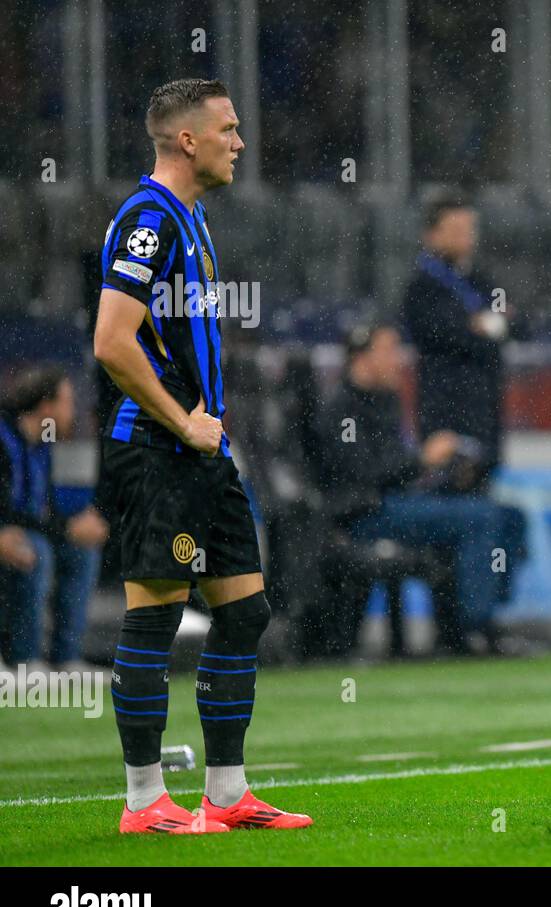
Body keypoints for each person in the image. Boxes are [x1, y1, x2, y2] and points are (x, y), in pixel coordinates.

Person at [94, 78, 311, 834]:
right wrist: (185, 423)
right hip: (157, 448)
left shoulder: (193, 217)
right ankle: (144, 799)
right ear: (188, 139)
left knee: (245, 611)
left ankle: (226, 794)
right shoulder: (148, 219)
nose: (239, 141)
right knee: (154, 619)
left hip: (201, 449)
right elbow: (111, 341)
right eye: (228, 128)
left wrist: (204, 430)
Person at [314, 323, 520, 655]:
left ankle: (485, 616)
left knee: (509, 515)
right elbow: (364, 475)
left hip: (400, 503)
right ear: (362, 358)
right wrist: (423, 460)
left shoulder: (386, 401)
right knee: (482, 518)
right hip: (366, 512)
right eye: (390, 351)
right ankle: (474, 628)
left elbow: (399, 470)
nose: (398, 360)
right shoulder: (341, 409)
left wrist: (447, 473)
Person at [0, 367, 109, 668]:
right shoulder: (4, 439)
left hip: (26, 532)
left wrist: (74, 523)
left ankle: (66, 659)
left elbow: (40, 510)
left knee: (81, 552)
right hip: (8, 536)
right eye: (68, 401)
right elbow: (11, 512)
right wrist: (66, 528)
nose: (72, 411)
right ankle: (24, 659)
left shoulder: (41, 445)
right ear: (46, 405)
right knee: (37, 551)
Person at [401, 196, 508, 480]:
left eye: (469, 229)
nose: (465, 237)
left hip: (485, 411)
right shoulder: (422, 287)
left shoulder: (481, 280)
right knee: (450, 493)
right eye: (455, 230)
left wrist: (482, 328)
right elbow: (448, 334)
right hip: (445, 409)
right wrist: (477, 329)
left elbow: (511, 324)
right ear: (432, 234)